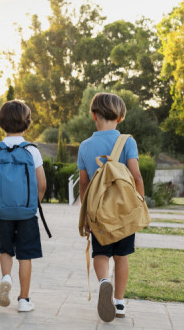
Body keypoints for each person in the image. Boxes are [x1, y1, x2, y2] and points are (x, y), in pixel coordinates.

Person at [77, 92, 144, 322]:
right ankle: (119, 301)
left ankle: (104, 281)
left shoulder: (85, 146)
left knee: (101, 253)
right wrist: (139, 204)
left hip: (98, 213)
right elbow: (136, 176)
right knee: (122, 256)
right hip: (124, 212)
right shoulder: (127, 141)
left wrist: (86, 216)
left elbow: (84, 185)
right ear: (121, 117)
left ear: (93, 115)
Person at [0, 100, 46, 313]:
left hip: (2, 212)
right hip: (27, 212)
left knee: (6, 249)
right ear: (27, 123)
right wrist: (34, 204)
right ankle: (24, 299)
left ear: (1, 122)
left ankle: (6, 277)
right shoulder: (31, 150)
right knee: (25, 255)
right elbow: (42, 184)